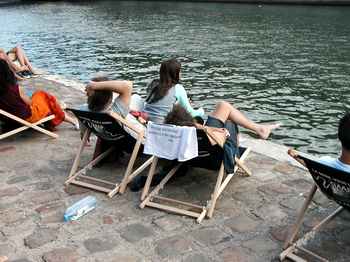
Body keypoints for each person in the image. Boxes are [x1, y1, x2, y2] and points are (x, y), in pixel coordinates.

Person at [0, 59, 78, 131]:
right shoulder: (14, 89)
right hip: (27, 117)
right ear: (7, 72)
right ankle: (69, 119)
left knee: (43, 99)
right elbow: (30, 103)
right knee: (42, 95)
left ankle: (60, 114)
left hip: (8, 119)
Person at [143, 58, 205, 123]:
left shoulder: (152, 84)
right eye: (180, 71)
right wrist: (201, 111)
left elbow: (160, 103)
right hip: (161, 125)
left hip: (146, 120)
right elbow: (191, 113)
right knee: (198, 119)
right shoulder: (178, 88)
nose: (181, 74)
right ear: (175, 73)